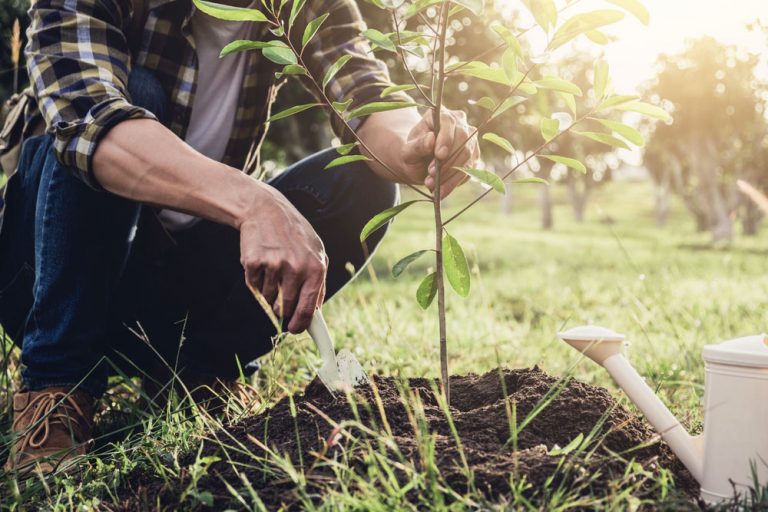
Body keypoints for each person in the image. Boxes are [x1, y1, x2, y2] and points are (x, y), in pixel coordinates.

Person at [0, 0, 479, 474]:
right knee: (137, 91)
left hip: (177, 290)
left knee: (363, 179)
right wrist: (254, 202)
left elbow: (366, 94)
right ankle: (54, 391)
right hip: (53, 275)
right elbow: (90, 125)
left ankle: (203, 373)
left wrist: (417, 141)